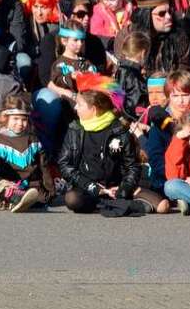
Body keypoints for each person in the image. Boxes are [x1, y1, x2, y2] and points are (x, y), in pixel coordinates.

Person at [59, 82, 169, 215]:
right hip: (87, 188)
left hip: (118, 185)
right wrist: (93, 187)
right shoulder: (74, 129)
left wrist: (123, 189)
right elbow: (65, 165)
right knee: (72, 199)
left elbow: (132, 167)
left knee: (163, 206)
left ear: (93, 109)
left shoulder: (119, 130)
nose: (76, 107)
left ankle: (116, 202)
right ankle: (113, 204)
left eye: (80, 104)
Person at [0, 92, 52, 211]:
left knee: (41, 198)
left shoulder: (33, 140)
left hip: (31, 184)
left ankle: (24, 199)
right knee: (4, 189)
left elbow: (43, 166)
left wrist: (50, 188)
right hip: (9, 183)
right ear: (5, 118)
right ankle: (13, 198)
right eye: (15, 119)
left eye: (24, 119)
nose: (20, 123)